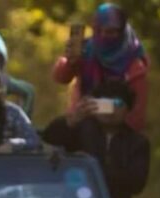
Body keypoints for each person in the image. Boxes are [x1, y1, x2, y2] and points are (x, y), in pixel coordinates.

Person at [52, 3, 147, 131]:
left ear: (121, 31)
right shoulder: (87, 49)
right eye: (98, 30)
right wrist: (70, 62)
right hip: (80, 124)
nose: (103, 36)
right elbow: (60, 78)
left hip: (115, 133)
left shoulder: (134, 64)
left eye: (110, 32)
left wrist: (107, 111)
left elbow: (136, 115)